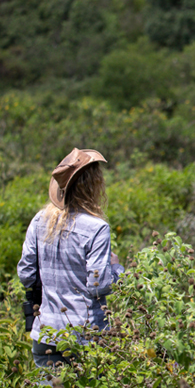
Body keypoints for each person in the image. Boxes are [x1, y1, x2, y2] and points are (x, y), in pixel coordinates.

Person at [17, 148, 124, 369]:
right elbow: (98, 286)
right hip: (84, 336)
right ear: (94, 185)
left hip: (45, 334)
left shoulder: (39, 221)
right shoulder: (97, 229)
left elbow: (26, 275)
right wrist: (116, 268)